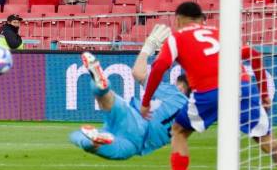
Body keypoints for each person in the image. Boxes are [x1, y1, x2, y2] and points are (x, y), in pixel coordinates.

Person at [140, 2, 277, 170]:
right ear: (201, 19)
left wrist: (146, 101)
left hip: (209, 92)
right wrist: (263, 94)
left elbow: (158, 68)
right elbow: (253, 54)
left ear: (178, 20)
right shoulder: (219, 32)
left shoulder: (176, 37)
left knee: (179, 131)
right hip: (242, 88)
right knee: (267, 140)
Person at [70, 29, 190, 161]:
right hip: (134, 145)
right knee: (85, 141)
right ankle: (95, 139)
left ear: (183, 87)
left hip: (135, 121)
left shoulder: (176, 96)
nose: (174, 85)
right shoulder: (194, 116)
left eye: (177, 84)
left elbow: (139, 73)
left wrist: (148, 47)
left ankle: (101, 88)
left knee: (106, 99)